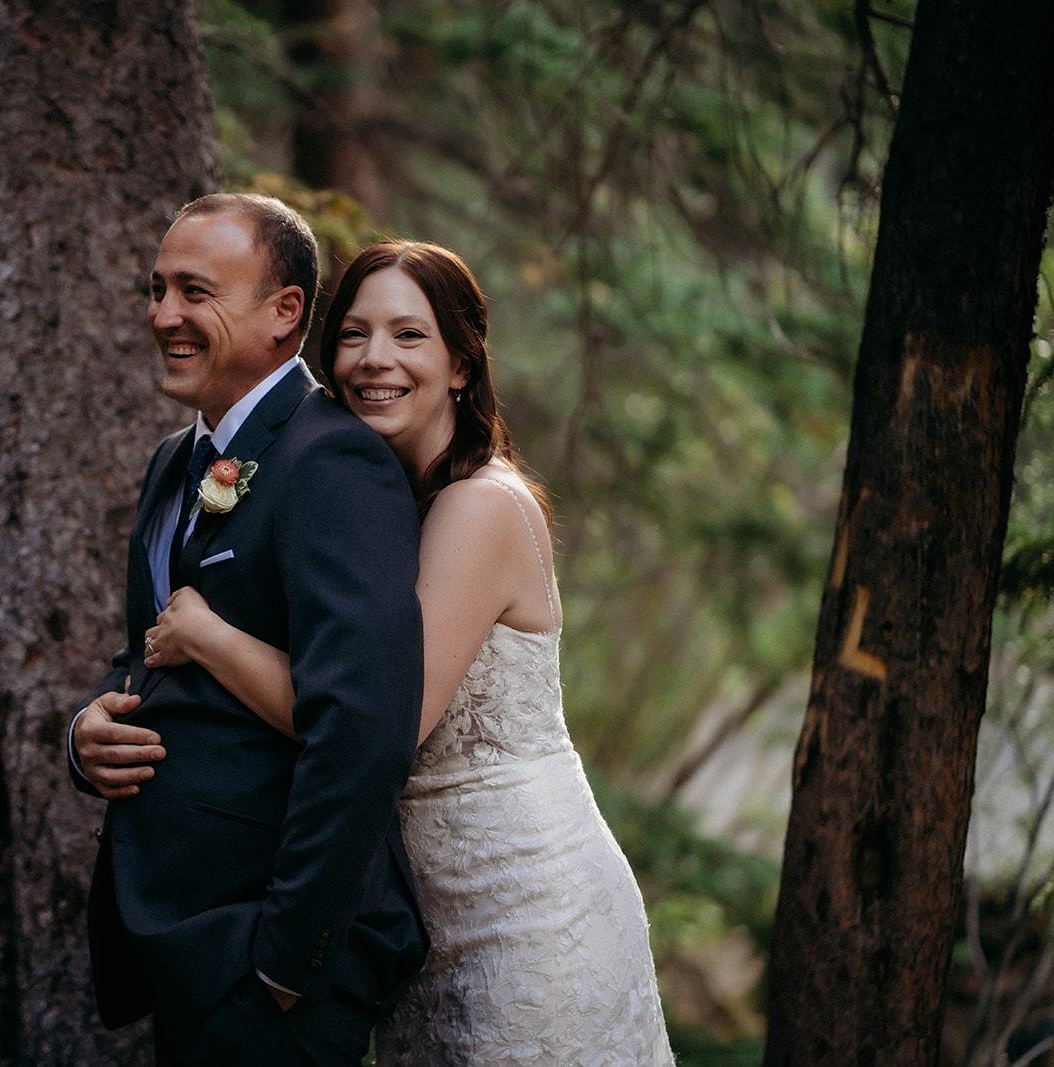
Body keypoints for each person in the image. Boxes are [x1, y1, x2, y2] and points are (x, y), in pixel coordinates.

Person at [142, 240, 677, 1064]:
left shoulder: (477, 507)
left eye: (409, 335)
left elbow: (383, 718)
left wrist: (209, 637)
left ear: (462, 363)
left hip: (520, 908)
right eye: (353, 334)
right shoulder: (390, 501)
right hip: (418, 913)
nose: (372, 360)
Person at [69, 196, 429, 1066]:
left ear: (285, 312)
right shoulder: (176, 460)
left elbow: (364, 731)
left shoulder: (332, 461)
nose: (163, 314)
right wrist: (87, 733)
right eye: (157, 289)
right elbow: (149, 649)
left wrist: (285, 961)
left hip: (268, 957)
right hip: (181, 942)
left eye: (195, 290)